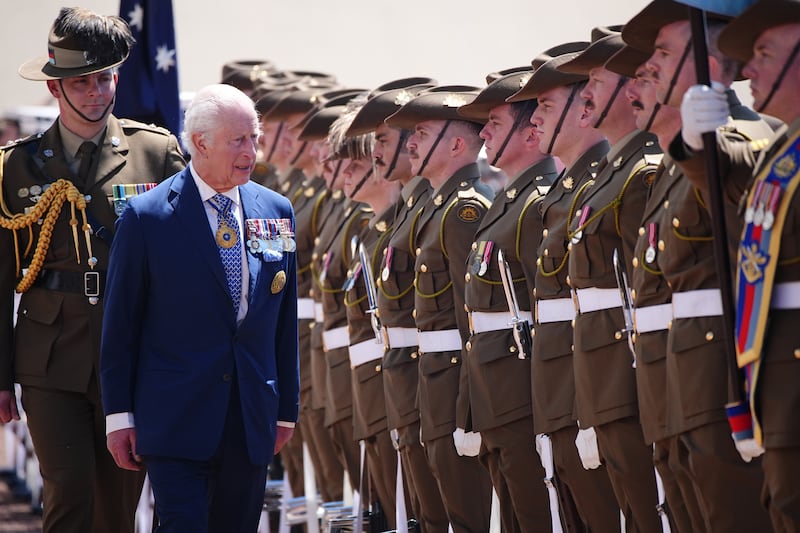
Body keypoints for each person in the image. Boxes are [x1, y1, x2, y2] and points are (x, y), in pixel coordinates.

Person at [0, 7, 185, 533]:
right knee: (68, 493)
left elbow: (183, 267)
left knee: (116, 507)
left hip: (131, 358)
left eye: (104, 79)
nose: (96, 92)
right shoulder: (15, 166)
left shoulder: (157, 153)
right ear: (56, 88)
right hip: (48, 356)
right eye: (82, 82)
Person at [99, 84, 299, 532]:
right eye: (238, 140)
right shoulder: (146, 216)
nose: (251, 151)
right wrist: (119, 416)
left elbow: (282, 322)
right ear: (201, 142)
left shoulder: (276, 209)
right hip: (174, 418)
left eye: (254, 138)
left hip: (249, 417)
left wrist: (285, 409)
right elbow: (121, 328)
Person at [622, 1, 775, 530]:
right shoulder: (676, 158)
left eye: (665, 52)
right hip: (680, 373)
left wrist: (694, 141)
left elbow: (733, 169)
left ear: (712, 64)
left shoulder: (741, 138)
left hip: (722, 373)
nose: (653, 66)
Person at [674, 0, 800, 529]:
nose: (748, 70)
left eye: (765, 54)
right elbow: (728, 173)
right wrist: (695, 141)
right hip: (774, 378)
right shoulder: (783, 146)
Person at [508, 44, 623, 531]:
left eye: (546, 107)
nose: (533, 120)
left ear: (584, 109)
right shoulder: (561, 194)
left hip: (604, 384)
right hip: (560, 381)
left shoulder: (608, 183)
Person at [558, 27, 664, 532]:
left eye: (597, 81)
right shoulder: (607, 176)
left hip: (629, 370)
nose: (588, 95)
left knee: (652, 511)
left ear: (629, 89)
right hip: (600, 373)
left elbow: (646, 289)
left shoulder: (642, 172)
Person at [386, 85, 495, 532]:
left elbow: (471, 317)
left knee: (465, 516)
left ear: (455, 144)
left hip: (452, 384)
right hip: (430, 379)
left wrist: (468, 406)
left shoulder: (463, 210)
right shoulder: (435, 207)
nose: (409, 142)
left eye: (422, 133)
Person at [346, 81, 451, 531]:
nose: (369, 158)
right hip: (398, 381)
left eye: (382, 142)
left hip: (434, 383)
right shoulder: (405, 215)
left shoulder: (447, 211)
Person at [456, 68, 558, 532]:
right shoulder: (507, 200)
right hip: (495, 391)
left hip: (523, 393)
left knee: (538, 514)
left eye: (495, 122)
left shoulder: (536, 201)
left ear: (530, 129)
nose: (484, 133)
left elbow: (547, 310)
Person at [606, 43, 702, 533]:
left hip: (700, 368)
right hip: (661, 368)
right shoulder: (661, 169)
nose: (636, 92)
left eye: (648, 77)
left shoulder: (662, 167)